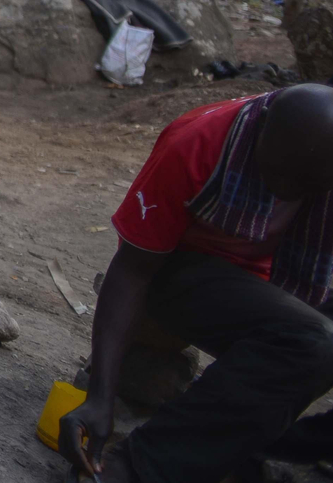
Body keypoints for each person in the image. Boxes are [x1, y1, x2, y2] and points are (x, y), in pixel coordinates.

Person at [60, 84, 333, 481]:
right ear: (262, 132)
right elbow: (132, 270)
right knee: (314, 341)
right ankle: (135, 468)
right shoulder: (198, 143)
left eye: (305, 185)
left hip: (270, 283)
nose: (285, 191)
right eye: (277, 174)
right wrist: (100, 397)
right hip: (181, 275)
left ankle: (285, 447)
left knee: (315, 341)